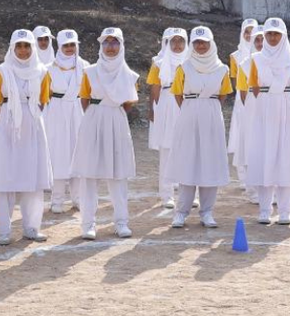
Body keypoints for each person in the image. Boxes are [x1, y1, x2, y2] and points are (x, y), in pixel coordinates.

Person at [0, 28, 54, 245]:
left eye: (27, 46)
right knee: (7, 177)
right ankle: (4, 230)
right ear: (12, 48)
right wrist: (10, 119)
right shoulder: (2, 71)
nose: (23, 51)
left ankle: (31, 227)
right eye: (19, 46)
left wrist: (28, 116)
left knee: (32, 179)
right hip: (7, 125)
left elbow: (43, 100)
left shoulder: (42, 71)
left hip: (33, 123)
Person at [73, 27, 139, 240]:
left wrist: (111, 110)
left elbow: (128, 103)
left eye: (114, 42)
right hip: (94, 119)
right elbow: (84, 98)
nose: (110, 47)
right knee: (90, 174)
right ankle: (88, 224)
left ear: (121, 45)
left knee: (118, 174)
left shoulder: (130, 75)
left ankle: (121, 222)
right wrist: (98, 113)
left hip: (117, 120)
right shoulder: (90, 71)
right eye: (106, 42)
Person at [245, 17, 290, 225]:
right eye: (269, 34)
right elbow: (253, 85)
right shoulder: (256, 58)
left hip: (285, 106)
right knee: (264, 156)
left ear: (283, 36)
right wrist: (264, 101)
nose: (273, 38)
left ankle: (285, 210)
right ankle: (264, 210)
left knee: (286, 158)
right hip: (263, 108)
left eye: (277, 34)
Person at [165, 26, 231, 228]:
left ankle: (207, 212)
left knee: (210, 161)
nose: (201, 46)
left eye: (204, 42)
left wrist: (208, 107)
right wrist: (192, 107)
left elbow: (224, 93)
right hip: (189, 113)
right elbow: (177, 93)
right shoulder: (184, 68)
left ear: (211, 44)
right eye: (197, 43)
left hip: (211, 115)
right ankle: (181, 212)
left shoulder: (222, 69)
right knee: (188, 160)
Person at [44, 29, 87, 214]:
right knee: (58, 153)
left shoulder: (86, 66)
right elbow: (44, 95)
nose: (69, 48)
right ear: (59, 46)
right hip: (56, 110)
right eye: (65, 45)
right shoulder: (48, 68)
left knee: (78, 153)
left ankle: (78, 198)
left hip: (78, 109)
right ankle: (57, 200)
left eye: (72, 45)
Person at [146, 27, 188, 208]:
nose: (177, 45)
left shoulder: (192, 61)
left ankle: (187, 191)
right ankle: (167, 194)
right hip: (166, 102)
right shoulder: (158, 62)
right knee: (167, 149)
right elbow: (154, 88)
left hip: (187, 103)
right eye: (174, 41)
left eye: (181, 41)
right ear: (167, 43)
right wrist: (154, 109)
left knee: (187, 148)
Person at [226, 19, 259, 203]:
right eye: (246, 32)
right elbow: (235, 80)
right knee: (241, 134)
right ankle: (243, 177)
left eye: (252, 32)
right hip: (243, 96)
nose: (249, 35)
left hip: (260, 97)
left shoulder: (265, 53)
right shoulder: (236, 56)